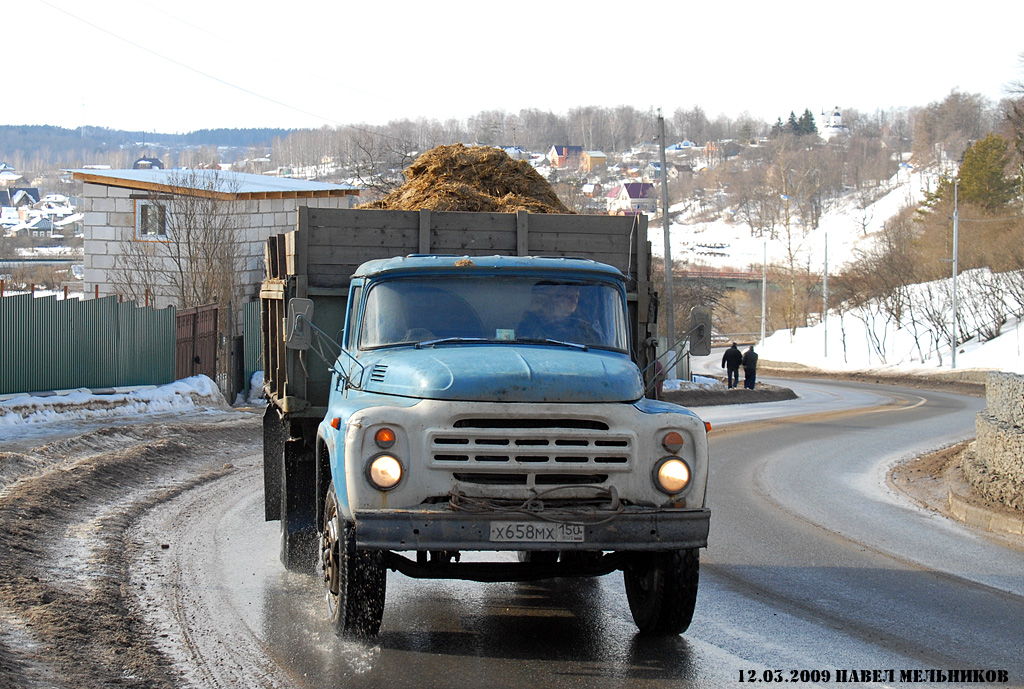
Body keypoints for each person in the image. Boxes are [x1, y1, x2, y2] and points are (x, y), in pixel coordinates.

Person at [517, 283, 597, 343]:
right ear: (554, 298)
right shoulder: (533, 320)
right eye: (567, 297)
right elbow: (524, 342)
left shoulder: (583, 325)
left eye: (576, 296)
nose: (573, 300)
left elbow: (592, 346)